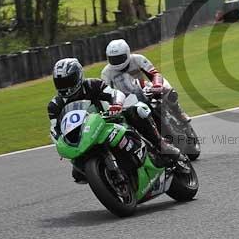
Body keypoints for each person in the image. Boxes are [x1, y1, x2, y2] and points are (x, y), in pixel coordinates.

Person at [48, 58, 182, 183]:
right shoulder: (55, 105)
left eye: (68, 81)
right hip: (84, 137)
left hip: (110, 119)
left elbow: (115, 93)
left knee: (137, 110)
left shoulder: (91, 84)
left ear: (78, 77)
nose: (64, 86)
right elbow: (54, 128)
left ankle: (160, 144)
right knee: (78, 173)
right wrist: (60, 141)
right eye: (60, 83)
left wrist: (116, 104)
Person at [100, 39, 190, 122]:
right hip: (125, 100)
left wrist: (157, 85)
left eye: (119, 58)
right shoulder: (106, 73)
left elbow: (154, 73)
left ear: (127, 53)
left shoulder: (137, 59)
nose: (117, 62)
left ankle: (178, 112)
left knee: (168, 90)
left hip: (145, 89)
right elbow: (107, 92)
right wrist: (113, 105)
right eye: (113, 59)